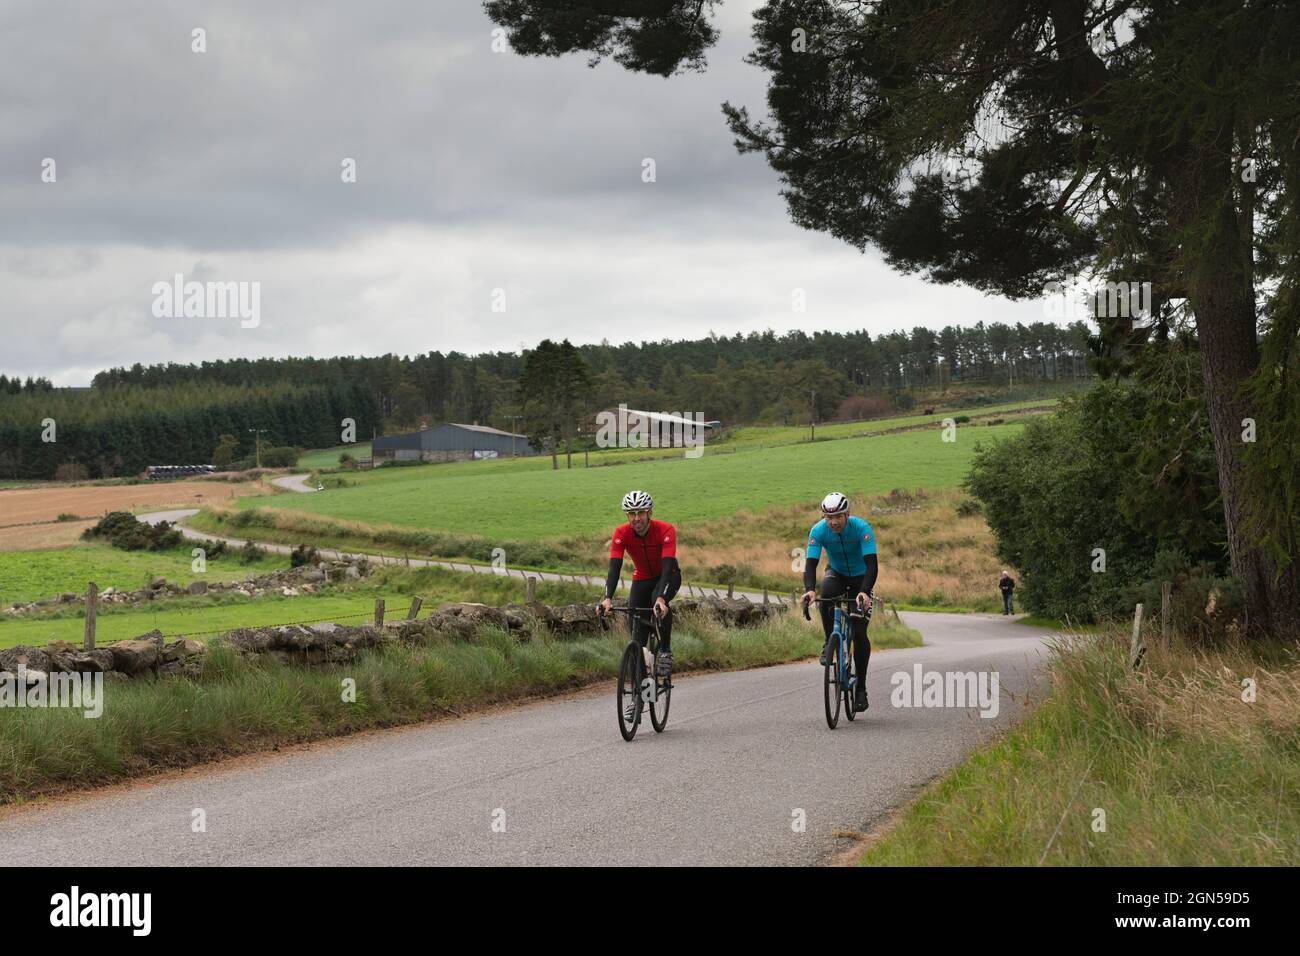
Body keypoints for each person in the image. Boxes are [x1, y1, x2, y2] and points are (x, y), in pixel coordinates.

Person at [800, 492, 878, 712]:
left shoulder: (862, 528)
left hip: (861, 579)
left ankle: (861, 688)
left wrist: (864, 592)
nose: (833, 522)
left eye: (838, 517)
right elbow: (811, 564)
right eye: (828, 517)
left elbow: (872, 565)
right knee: (825, 592)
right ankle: (829, 642)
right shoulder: (818, 531)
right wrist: (809, 590)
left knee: (859, 631)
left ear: (847, 514)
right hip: (837, 573)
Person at [600, 490, 681, 675]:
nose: (636, 518)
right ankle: (643, 688)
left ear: (649, 512)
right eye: (631, 514)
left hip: (668, 576)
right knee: (637, 633)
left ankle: (666, 651)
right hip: (642, 579)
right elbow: (614, 568)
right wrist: (607, 598)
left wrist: (661, 599)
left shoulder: (665, 530)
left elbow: (668, 567)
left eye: (640, 513)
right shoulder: (621, 533)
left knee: (658, 604)